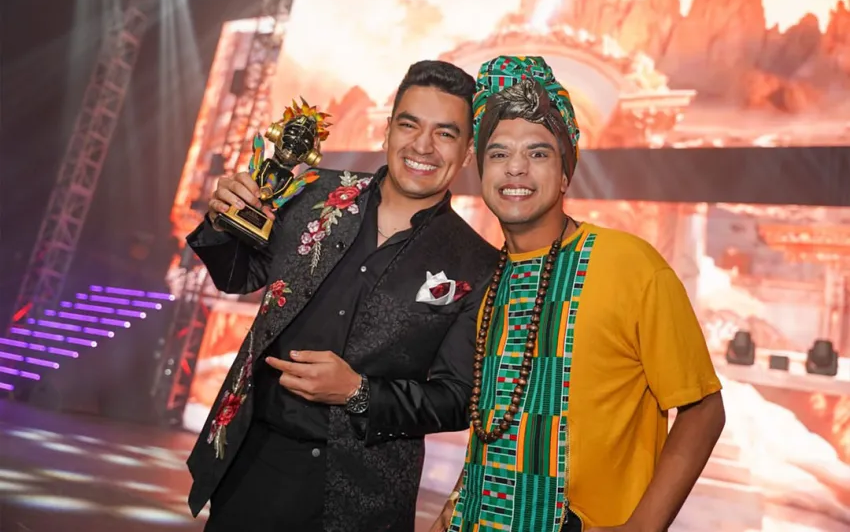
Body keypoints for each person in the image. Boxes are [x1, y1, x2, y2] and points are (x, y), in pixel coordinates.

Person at [185, 59, 499, 532]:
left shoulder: (476, 263)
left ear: (468, 152)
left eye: (445, 133)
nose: (422, 146)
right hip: (255, 465)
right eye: (409, 124)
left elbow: (456, 398)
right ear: (387, 130)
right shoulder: (311, 192)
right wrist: (224, 217)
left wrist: (358, 393)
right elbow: (239, 275)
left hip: (365, 496)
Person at [430, 56, 725, 532]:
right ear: (481, 172)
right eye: (499, 154)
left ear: (566, 174)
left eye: (539, 153)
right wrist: (456, 505)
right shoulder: (489, 279)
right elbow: (500, 420)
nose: (517, 168)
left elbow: (703, 408)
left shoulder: (630, 264)